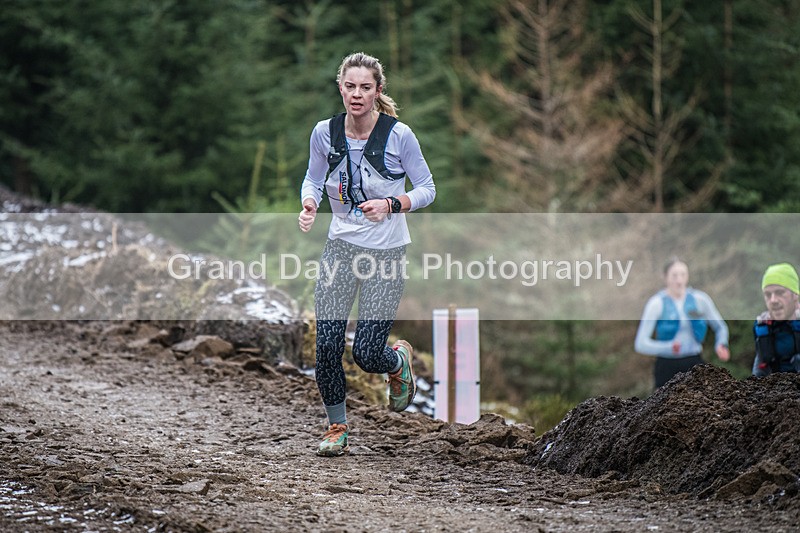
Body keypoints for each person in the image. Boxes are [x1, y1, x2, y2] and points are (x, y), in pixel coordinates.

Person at [297, 52, 436, 456]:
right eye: (350, 86)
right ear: (340, 88)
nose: (357, 94)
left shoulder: (399, 136)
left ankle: (396, 361)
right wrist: (309, 203)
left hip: (387, 254)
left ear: (378, 92)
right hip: (339, 249)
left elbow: (428, 189)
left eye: (366, 87)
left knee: (366, 354)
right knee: (326, 345)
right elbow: (313, 176)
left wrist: (393, 204)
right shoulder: (324, 132)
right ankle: (336, 427)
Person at [634, 257, 730, 389]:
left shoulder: (700, 300)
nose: (679, 280)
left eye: (683, 275)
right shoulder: (656, 304)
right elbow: (640, 344)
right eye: (674, 276)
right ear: (665, 277)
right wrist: (668, 347)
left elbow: (720, 327)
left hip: (694, 362)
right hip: (666, 366)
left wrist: (721, 343)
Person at [752, 263, 800, 376]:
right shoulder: (761, 327)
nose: (773, 300)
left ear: (795, 295)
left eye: (780, 293)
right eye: (768, 295)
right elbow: (760, 366)